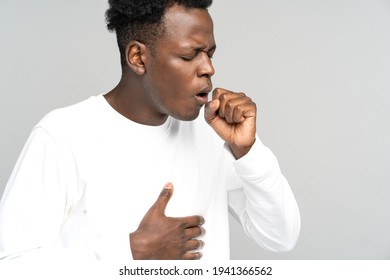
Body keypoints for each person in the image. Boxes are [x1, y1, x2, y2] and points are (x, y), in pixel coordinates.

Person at [0, 0, 300, 261]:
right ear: (138, 58)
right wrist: (132, 251)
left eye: (209, 53)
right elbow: (11, 263)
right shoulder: (64, 134)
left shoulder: (213, 131)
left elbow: (280, 237)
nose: (208, 67)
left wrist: (248, 152)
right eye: (189, 55)